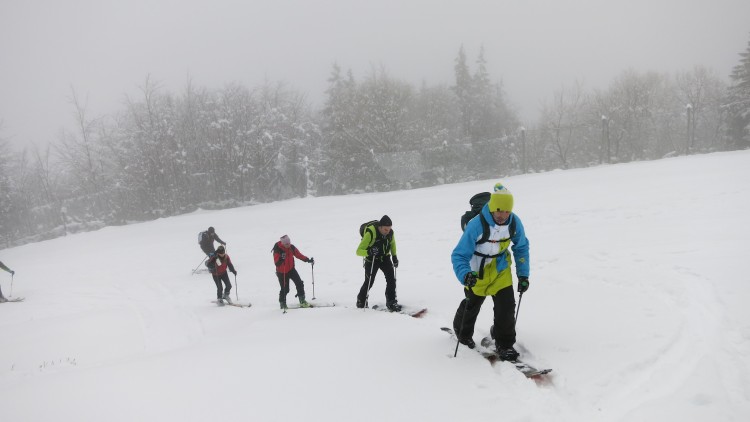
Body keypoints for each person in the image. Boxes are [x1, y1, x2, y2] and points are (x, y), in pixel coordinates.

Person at [451, 182, 530, 361]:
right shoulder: (476, 225)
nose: (503, 215)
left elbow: (522, 247)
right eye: (499, 211)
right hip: (476, 269)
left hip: (500, 268)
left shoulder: (515, 222)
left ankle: (505, 343)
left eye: (507, 211)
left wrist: (523, 275)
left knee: (506, 306)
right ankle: (462, 332)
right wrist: (465, 274)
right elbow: (459, 255)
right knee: (472, 305)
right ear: (493, 208)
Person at [356, 215, 401, 311]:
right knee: (369, 281)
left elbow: (392, 244)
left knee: (391, 280)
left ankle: (391, 302)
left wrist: (394, 256)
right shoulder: (371, 232)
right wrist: (369, 252)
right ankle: (361, 300)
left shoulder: (390, 233)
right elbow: (358, 251)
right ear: (380, 227)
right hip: (372, 259)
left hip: (385, 257)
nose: (387, 231)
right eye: (385, 229)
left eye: (389, 229)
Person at [272, 235, 314, 309]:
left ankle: (302, 301)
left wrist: (307, 260)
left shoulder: (291, 247)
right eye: (286, 244)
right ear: (282, 243)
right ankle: (282, 303)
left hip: (291, 269)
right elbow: (276, 263)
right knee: (285, 289)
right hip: (282, 272)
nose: (288, 245)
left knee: (299, 283)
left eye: (289, 243)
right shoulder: (278, 249)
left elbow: (298, 255)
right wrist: (281, 258)